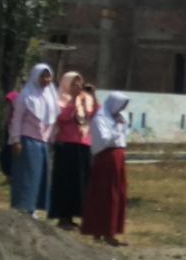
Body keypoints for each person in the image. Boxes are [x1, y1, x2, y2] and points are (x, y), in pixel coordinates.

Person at [9, 64, 59, 218]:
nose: (46, 80)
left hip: (42, 142)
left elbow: (51, 120)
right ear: (36, 77)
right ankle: (23, 206)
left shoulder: (51, 96)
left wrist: (52, 139)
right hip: (27, 139)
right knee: (27, 175)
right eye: (43, 76)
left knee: (39, 175)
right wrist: (16, 140)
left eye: (48, 76)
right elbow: (16, 119)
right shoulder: (26, 95)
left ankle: (34, 207)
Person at [49, 72, 96, 230]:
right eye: (74, 84)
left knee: (82, 182)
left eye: (79, 84)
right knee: (66, 182)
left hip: (83, 144)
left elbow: (95, 115)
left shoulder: (86, 99)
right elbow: (62, 118)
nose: (78, 87)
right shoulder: (61, 100)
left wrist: (92, 96)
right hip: (67, 145)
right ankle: (64, 217)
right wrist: (74, 101)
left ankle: (79, 215)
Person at [82, 92, 130, 245]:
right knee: (104, 193)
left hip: (118, 158)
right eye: (120, 105)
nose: (121, 109)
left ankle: (112, 230)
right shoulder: (100, 118)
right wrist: (117, 127)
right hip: (106, 158)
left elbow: (124, 137)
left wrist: (121, 125)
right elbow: (104, 140)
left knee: (117, 193)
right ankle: (99, 231)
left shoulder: (120, 118)